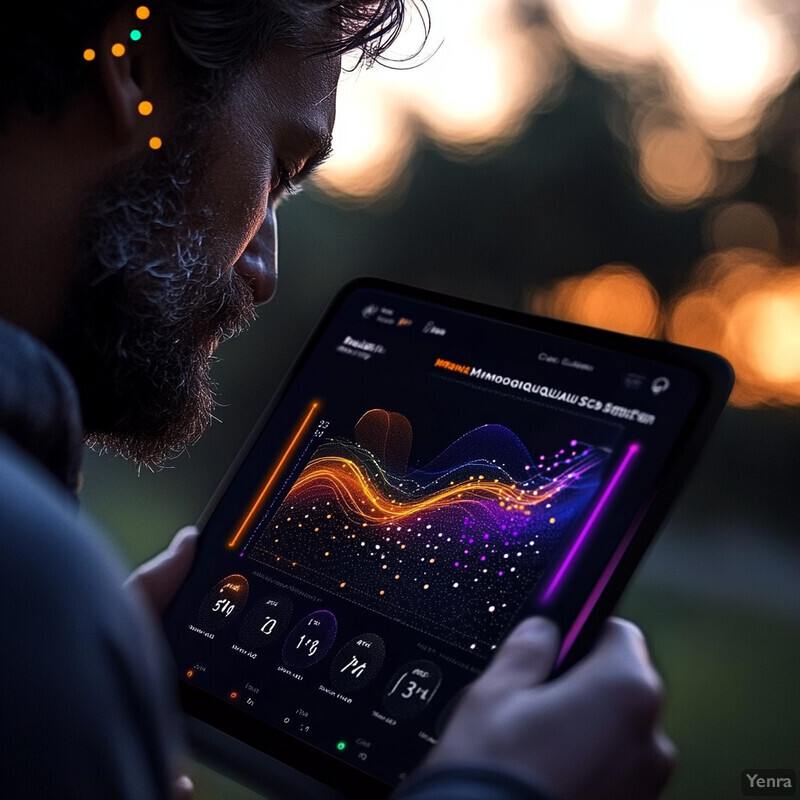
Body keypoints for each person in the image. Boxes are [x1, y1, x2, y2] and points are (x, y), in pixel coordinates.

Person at [0, 1, 676, 798]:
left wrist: (71, 698)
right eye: (282, 168)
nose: (263, 271)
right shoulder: (28, 595)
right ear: (134, 67)